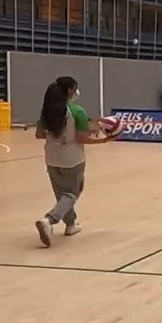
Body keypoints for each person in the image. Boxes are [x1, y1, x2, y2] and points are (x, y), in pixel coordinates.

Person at [33, 76, 117, 246]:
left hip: (51, 157)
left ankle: (70, 225)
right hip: (72, 157)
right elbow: (82, 138)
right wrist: (104, 141)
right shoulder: (77, 111)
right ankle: (49, 220)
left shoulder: (47, 111)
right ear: (70, 91)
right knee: (73, 192)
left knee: (62, 195)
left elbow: (39, 134)